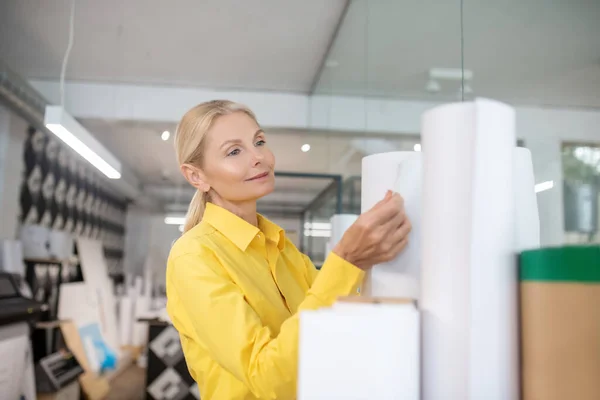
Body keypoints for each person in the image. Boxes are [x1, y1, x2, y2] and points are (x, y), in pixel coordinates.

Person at [166, 100, 411, 400]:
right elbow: (269, 378)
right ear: (196, 176)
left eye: (259, 142)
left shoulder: (281, 247)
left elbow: (334, 326)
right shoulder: (194, 257)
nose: (259, 157)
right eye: (234, 151)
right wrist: (347, 259)